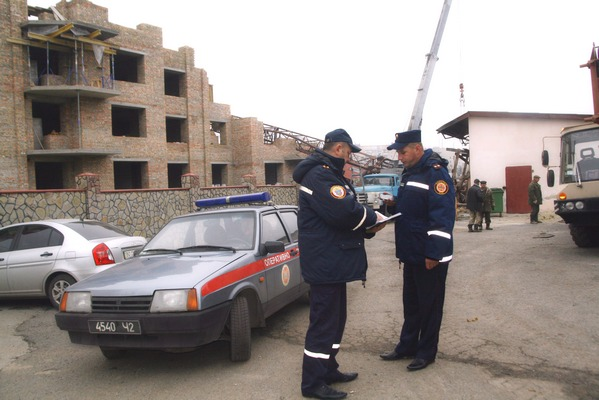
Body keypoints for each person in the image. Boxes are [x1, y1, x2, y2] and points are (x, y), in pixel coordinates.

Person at [293, 128, 385, 399]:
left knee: (335, 323)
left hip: (333, 263)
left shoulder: (328, 173)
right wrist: (372, 219)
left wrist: (368, 227)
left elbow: (342, 216)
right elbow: (343, 211)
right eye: (348, 152)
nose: (349, 157)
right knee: (323, 326)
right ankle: (312, 384)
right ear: (339, 148)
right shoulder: (320, 175)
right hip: (326, 265)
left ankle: (328, 369)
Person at [380, 129, 455, 372]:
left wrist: (434, 253)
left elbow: (442, 217)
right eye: (398, 152)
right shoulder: (410, 172)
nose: (400, 157)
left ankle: (426, 352)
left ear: (417, 149)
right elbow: (413, 210)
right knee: (411, 303)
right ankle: (407, 346)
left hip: (428, 255)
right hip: (411, 252)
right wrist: (393, 206)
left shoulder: (435, 173)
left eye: (403, 152)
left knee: (429, 306)